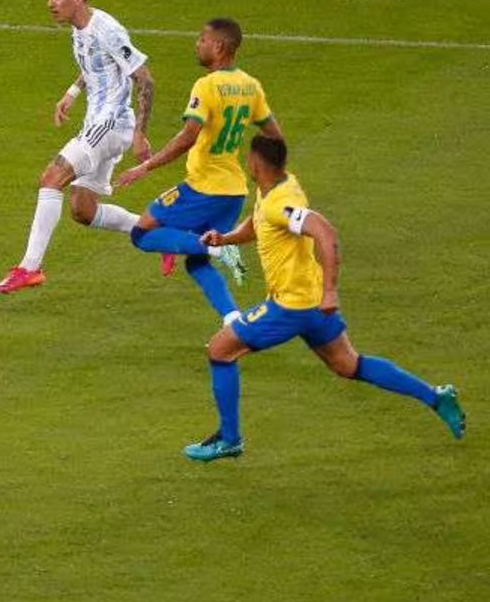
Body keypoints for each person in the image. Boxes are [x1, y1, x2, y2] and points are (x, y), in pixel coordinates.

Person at [182, 132, 465, 460]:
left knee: (220, 350)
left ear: (256, 162)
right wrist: (226, 239)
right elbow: (259, 221)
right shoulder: (281, 187)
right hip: (313, 301)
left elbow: (324, 232)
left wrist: (332, 289)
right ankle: (435, 396)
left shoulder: (279, 202)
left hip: (291, 306)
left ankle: (229, 439)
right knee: (348, 364)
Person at [0, 0, 154, 293]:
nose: (50, 3)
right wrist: (72, 92)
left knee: (51, 178)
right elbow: (93, 64)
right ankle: (165, 235)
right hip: (99, 120)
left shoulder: (106, 29)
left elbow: (145, 79)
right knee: (83, 210)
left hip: (109, 124)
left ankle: (29, 268)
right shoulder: (79, 27)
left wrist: (139, 134)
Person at [110, 17, 281, 316]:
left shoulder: (208, 84)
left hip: (204, 188)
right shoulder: (250, 86)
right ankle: (232, 319)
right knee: (195, 260)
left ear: (218, 45)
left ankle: (219, 247)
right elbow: (275, 136)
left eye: (203, 39)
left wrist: (145, 167)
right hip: (234, 192)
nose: (197, 44)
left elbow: (188, 137)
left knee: (143, 233)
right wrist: (270, 179)